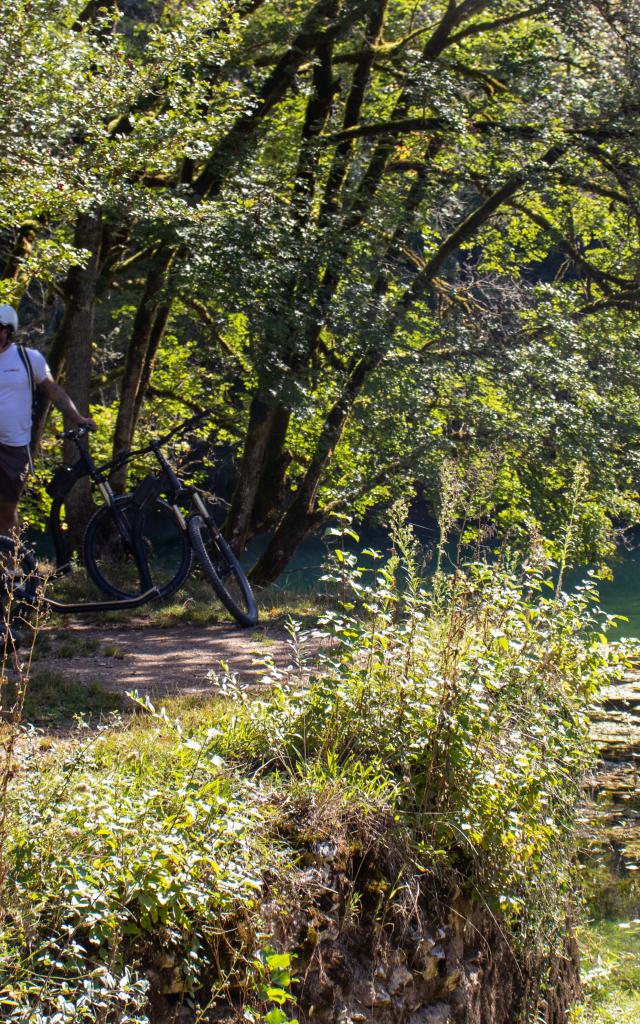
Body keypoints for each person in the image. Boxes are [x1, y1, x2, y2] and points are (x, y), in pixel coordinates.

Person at [0, 304, 96, 537]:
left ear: (9, 331)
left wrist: (77, 418)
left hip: (13, 447)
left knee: (6, 509)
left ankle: (11, 567)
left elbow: (55, 392)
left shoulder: (28, 358)